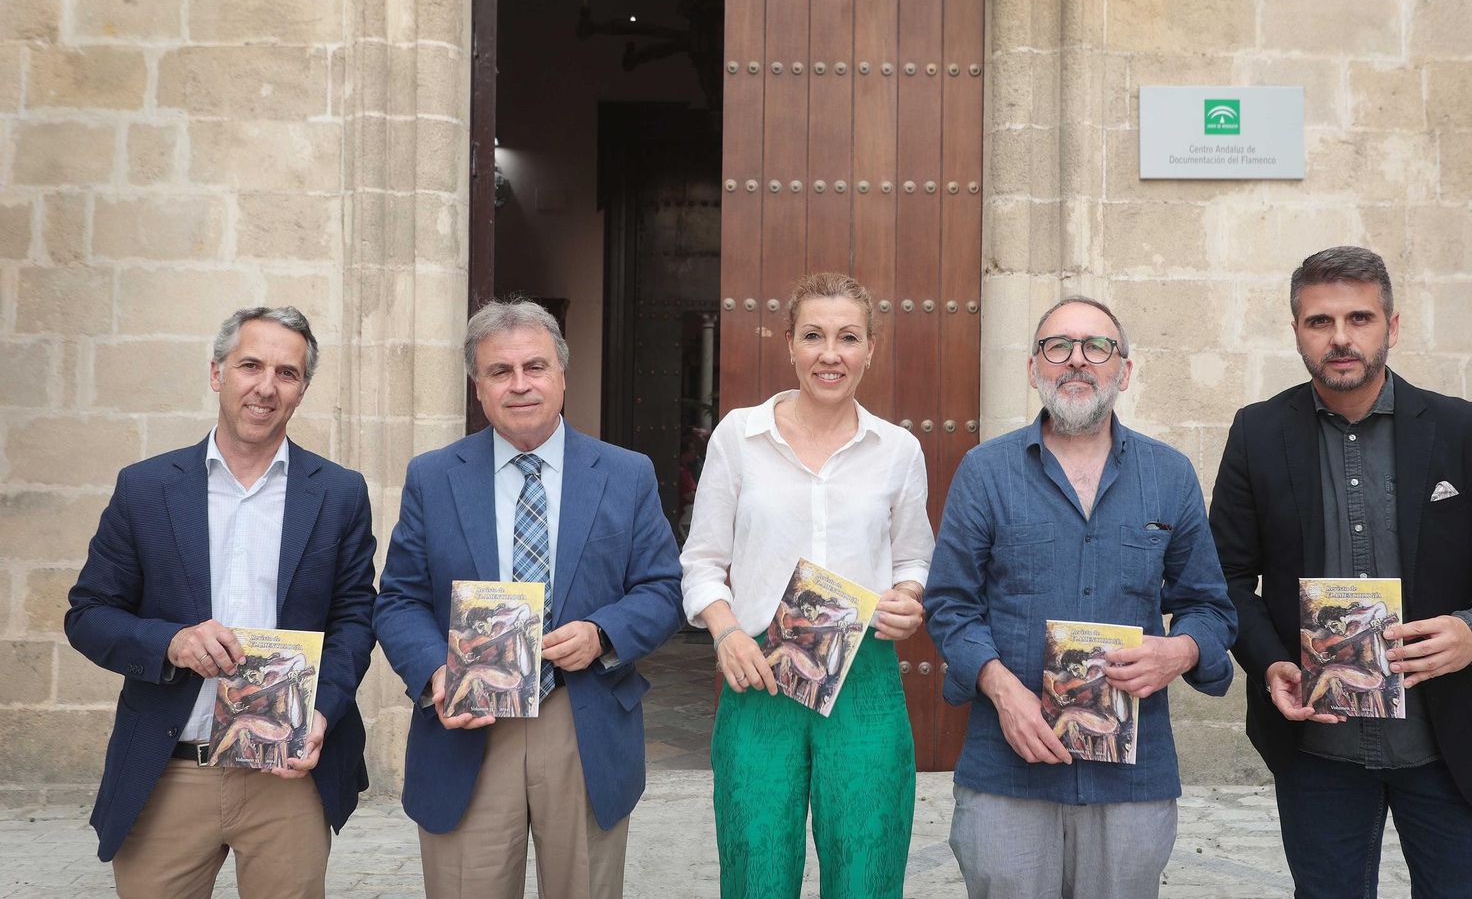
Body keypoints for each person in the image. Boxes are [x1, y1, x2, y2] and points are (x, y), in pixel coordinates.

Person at [1209, 246, 1472, 898]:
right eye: (1320, 321)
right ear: (1296, 332)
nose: (1341, 337)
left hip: (1446, 741)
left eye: (1359, 318)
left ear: (1391, 327)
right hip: (1318, 747)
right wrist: (1268, 664)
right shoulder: (1258, 433)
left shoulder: (1466, 430)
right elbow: (1226, 577)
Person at [924, 294, 1236, 899]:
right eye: (1057, 346)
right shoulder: (985, 471)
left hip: (1132, 774)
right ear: (1034, 366)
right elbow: (950, 606)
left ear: (1124, 369)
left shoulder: (1169, 474)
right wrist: (1001, 689)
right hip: (1008, 766)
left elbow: (1211, 607)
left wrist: (1182, 651)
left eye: (1096, 347)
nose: (1076, 362)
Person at [374, 299, 683, 899]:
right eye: (500, 372)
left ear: (562, 375)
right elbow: (399, 599)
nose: (520, 385)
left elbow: (663, 589)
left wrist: (603, 633)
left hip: (582, 719)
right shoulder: (433, 477)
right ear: (478, 387)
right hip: (468, 723)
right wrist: (436, 672)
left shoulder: (626, 473)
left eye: (535, 367)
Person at [63, 306, 377, 898]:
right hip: (170, 768)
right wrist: (170, 642)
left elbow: (355, 618)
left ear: (303, 389)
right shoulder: (146, 487)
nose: (265, 387)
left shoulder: (338, 492)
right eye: (250, 366)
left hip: (287, 771)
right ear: (216, 373)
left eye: (287, 373)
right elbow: (89, 614)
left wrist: (325, 710)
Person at [680, 271, 934, 899]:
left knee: (868, 869)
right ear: (789, 343)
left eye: (848, 338)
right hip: (759, 668)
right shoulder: (738, 437)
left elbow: (914, 560)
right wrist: (726, 632)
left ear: (870, 349)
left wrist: (909, 599)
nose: (830, 353)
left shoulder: (898, 450)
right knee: (756, 867)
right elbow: (702, 561)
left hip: (865, 677)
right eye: (814, 336)